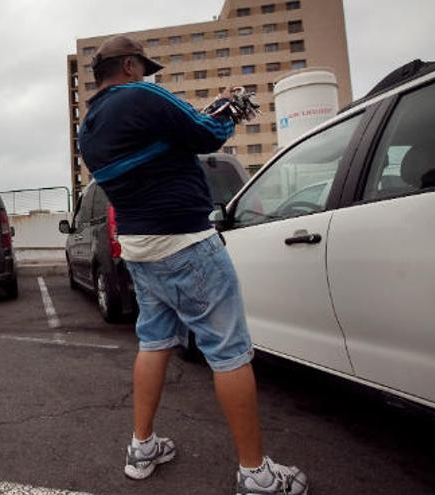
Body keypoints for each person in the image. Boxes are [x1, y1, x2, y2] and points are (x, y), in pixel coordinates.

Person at [76, 35, 308, 494]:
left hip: (140, 250)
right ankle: (256, 474)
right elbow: (207, 135)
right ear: (128, 66)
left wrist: (204, 113)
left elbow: (165, 138)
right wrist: (227, 106)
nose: (148, 75)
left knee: (154, 342)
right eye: (144, 68)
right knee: (229, 352)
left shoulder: (89, 127)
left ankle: (142, 447)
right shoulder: (141, 95)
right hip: (187, 243)